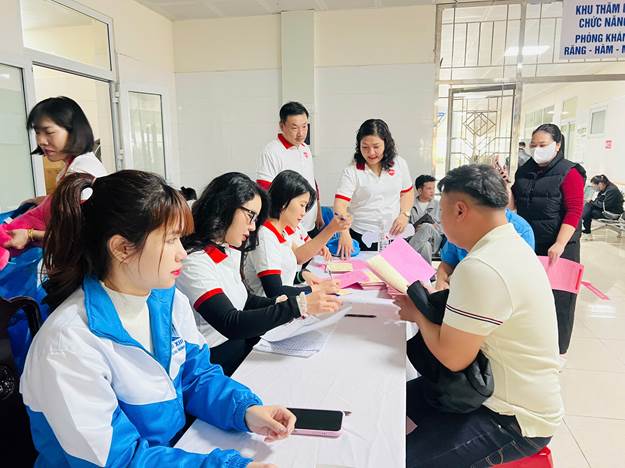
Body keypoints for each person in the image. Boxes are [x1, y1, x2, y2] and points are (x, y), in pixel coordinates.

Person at [20, 170, 295, 467]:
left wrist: (243, 410)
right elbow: (120, 460)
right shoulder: (68, 344)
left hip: (171, 450)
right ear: (122, 248)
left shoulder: (165, 300)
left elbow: (195, 375)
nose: (183, 253)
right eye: (170, 240)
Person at [395, 164, 562, 467]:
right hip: (482, 386)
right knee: (390, 401)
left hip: (511, 416)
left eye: (441, 212)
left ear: (460, 210)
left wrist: (417, 315)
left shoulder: (483, 266)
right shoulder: (511, 244)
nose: (440, 221)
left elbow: (453, 357)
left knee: (396, 459)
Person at [177, 172, 341, 375]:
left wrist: (282, 303)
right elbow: (231, 323)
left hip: (239, 348)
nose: (253, 226)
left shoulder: (227, 249)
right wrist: (297, 305)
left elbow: (246, 300)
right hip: (214, 363)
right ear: (225, 205)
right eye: (250, 216)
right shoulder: (194, 261)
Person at [0, 97, 107, 268]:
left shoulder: (82, 171)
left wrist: (30, 234)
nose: (41, 141)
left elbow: (81, 235)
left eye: (49, 132)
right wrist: (45, 200)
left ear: (73, 131)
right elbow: (71, 208)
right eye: (37, 132)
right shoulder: (74, 165)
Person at [511, 123, 585, 357]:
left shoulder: (569, 172)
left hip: (560, 246)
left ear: (557, 145)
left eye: (543, 145)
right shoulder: (524, 170)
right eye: (533, 145)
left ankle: (556, 351)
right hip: (531, 243)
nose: (537, 150)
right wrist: (505, 185)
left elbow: (574, 210)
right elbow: (514, 205)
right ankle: (532, 345)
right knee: (531, 296)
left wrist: (560, 243)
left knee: (559, 299)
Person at [244, 170, 351, 298]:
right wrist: (316, 289)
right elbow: (275, 291)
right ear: (284, 202)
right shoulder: (265, 236)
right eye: (302, 205)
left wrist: (302, 276)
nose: (303, 212)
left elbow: (295, 260)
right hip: (272, 307)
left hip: (285, 304)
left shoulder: (282, 232)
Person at [334, 119, 413, 257]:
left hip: (394, 233)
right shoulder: (352, 171)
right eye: (365, 147)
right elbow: (340, 205)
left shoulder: (399, 164)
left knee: (393, 269)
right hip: (361, 235)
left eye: (376, 147)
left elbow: (407, 192)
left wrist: (404, 214)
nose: (371, 153)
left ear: (386, 144)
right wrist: (344, 233)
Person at [256, 101, 323, 236]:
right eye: (294, 128)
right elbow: (265, 190)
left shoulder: (305, 148)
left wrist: (318, 212)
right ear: (282, 126)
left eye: (304, 126)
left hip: (310, 223)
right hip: (288, 228)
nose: (301, 133)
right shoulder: (272, 151)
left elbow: (311, 181)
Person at [434, 208, 535, 291]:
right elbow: (447, 262)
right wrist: (441, 281)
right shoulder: (462, 224)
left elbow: (521, 278)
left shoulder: (521, 230)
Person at [408, 175, 443, 264]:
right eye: (429, 188)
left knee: (426, 226)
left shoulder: (439, 205)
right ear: (420, 190)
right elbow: (405, 228)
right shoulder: (409, 205)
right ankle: (427, 272)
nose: (432, 191)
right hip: (415, 239)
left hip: (435, 241)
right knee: (425, 246)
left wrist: (435, 226)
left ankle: (405, 256)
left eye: (433, 188)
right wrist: (414, 229)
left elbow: (447, 228)